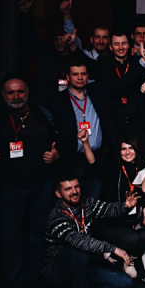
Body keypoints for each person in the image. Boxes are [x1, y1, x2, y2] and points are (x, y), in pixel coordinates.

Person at [0, 74, 58, 288]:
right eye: (11, 92)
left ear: (27, 92)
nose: (16, 96)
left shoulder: (42, 114)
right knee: (11, 237)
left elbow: (60, 140)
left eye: (20, 91)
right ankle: (14, 283)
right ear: (3, 95)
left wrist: (56, 154)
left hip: (42, 186)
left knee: (39, 235)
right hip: (10, 187)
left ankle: (36, 278)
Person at [43, 175, 138, 288]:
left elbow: (107, 209)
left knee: (125, 283)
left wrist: (125, 206)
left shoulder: (86, 204)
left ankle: (78, 286)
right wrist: (113, 248)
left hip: (84, 263)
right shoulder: (56, 217)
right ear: (58, 193)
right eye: (68, 189)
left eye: (76, 187)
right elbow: (79, 241)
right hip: (58, 269)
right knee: (79, 252)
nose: (74, 192)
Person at [48, 58, 116, 199]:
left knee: (96, 201)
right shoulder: (58, 101)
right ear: (67, 76)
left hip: (98, 158)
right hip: (73, 160)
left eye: (83, 74)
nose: (80, 78)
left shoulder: (98, 93)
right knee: (73, 200)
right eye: (75, 74)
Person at [86, 136, 145, 277]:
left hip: (132, 221)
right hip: (112, 222)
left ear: (136, 150)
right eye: (123, 149)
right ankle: (112, 256)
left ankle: (128, 260)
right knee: (132, 238)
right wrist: (85, 142)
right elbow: (93, 163)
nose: (127, 152)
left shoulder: (141, 170)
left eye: (131, 148)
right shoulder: (113, 168)